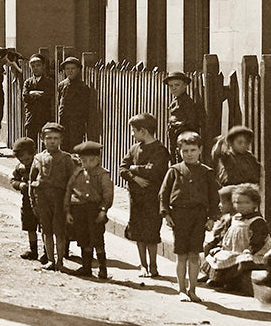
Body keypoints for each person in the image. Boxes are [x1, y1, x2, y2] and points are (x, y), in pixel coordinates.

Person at [159, 131, 219, 302]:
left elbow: (214, 197)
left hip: (199, 216)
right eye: (185, 151)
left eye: (193, 150)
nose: (189, 154)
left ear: (200, 150)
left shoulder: (207, 172)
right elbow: (163, 194)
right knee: (181, 254)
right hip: (179, 215)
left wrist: (212, 218)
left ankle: (193, 290)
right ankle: (182, 289)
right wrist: (166, 214)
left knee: (194, 254)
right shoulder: (174, 171)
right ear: (179, 152)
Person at [120, 112, 170, 278]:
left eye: (134, 130)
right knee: (138, 231)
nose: (132, 134)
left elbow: (155, 171)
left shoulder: (160, 150)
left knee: (151, 232)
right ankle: (143, 265)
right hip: (136, 198)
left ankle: (153, 266)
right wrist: (135, 177)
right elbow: (122, 169)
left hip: (153, 198)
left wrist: (135, 169)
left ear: (144, 131)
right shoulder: (134, 149)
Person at [203, 183, 271, 290]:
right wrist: (221, 247)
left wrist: (250, 251)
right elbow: (227, 235)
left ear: (255, 204)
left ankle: (231, 282)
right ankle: (216, 278)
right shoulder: (235, 218)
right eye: (238, 203)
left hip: (252, 252)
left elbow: (258, 241)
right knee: (218, 256)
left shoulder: (257, 221)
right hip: (234, 250)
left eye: (246, 203)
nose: (242, 206)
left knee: (241, 262)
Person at [29, 121, 75, 272]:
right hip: (42, 197)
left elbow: (72, 181)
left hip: (59, 198)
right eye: (49, 138)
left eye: (56, 138)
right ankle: (50, 260)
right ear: (42, 139)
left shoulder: (66, 159)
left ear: (61, 140)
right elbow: (31, 180)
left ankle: (60, 260)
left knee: (59, 230)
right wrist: (33, 202)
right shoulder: (38, 158)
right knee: (46, 230)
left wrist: (69, 202)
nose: (52, 141)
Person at [64, 140, 113, 279]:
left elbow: (108, 195)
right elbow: (69, 191)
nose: (88, 163)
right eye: (84, 160)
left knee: (97, 239)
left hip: (95, 210)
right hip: (79, 210)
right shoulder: (77, 174)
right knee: (83, 238)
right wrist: (68, 211)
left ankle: (102, 269)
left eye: (92, 160)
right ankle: (86, 267)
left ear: (98, 159)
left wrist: (103, 210)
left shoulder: (103, 175)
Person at [9, 137, 41, 261]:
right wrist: (19, 185)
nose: (25, 161)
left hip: (41, 200)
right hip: (27, 201)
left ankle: (46, 253)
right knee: (30, 225)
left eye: (28, 158)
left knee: (44, 226)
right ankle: (33, 250)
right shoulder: (20, 168)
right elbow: (12, 180)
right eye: (21, 159)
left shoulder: (40, 165)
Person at [56, 56, 95, 151]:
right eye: (67, 69)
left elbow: (85, 107)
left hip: (77, 121)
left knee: (75, 145)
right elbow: (59, 101)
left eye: (73, 69)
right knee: (63, 144)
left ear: (78, 70)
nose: (70, 71)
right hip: (64, 120)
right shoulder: (61, 85)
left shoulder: (82, 87)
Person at [165, 72, 200, 160]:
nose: (174, 88)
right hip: (175, 136)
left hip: (183, 136)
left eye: (177, 85)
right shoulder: (176, 100)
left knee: (180, 158)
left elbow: (192, 120)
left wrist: (178, 124)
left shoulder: (186, 102)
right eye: (171, 86)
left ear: (185, 85)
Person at [21, 54, 55, 144]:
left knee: (46, 140)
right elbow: (25, 97)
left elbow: (47, 96)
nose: (36, 68)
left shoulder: (49, 81)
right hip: (31, 115)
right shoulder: (28, 82)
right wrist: (36, 93)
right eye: (33, 66)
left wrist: (32, 93)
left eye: (38, 66)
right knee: (31, 141)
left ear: (43, 66)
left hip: (44, 115)